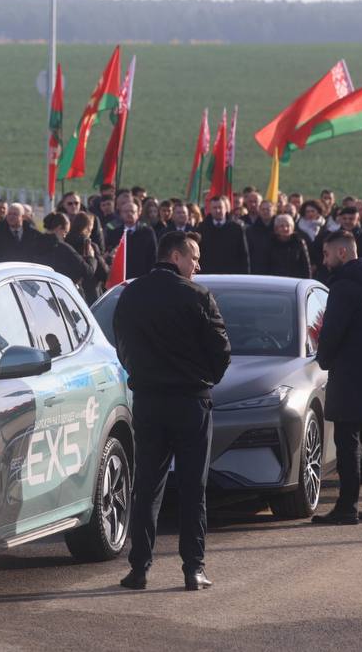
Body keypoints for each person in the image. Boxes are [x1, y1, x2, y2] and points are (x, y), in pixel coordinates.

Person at [113, 231, 231, 592]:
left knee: (146, 486)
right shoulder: (197, 296)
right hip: (191, 401)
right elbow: (222, 351)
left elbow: (121, 343)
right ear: (176, 256)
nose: (198, 265)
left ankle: (139, 570)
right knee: (194, 488)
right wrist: (203, 378)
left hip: (148, 400)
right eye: (194, 257)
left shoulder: (131, 293)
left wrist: (142, 374)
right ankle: (193, 569)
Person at [311, 230, 362, 525]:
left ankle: (347, 507)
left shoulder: (345, 287)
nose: (324, 259)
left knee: (347, 442)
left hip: (350, 373)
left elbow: (332, 333)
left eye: (326, 253)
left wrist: (323, 359)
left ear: (342, 253)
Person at [103, 198, 158, 280]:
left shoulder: (147, 232)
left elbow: (153, 256)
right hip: (119, 279)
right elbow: (106, 253)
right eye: (126, 211)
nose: (129, 214)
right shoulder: (113, 232)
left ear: (138, 213)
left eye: (132, 211)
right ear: (121, 213)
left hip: (141, 278)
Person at [31, 213, 95, 283]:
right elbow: (88, 272)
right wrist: (90, 257)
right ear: (59, 228)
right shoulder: (63, 248)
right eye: (65, 232)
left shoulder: (33, 243)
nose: (65, 236)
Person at [196, 196, 249, 274]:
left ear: (226, 208)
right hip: (208, 274)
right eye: (214, 208)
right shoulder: (202, 228)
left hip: (231, 275)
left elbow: (243, 254)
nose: (218, 210)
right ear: (210, 209)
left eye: (220, 207)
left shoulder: (236, 228)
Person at [266, 214, 311, 278]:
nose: (285, 228)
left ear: (292, 228)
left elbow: (306, 267)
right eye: (281, 226)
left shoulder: (299, 242)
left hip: (295, 282)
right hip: (275, 281)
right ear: (276, 229)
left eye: (288, 225)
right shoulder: (270, 243)